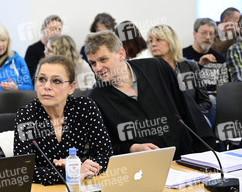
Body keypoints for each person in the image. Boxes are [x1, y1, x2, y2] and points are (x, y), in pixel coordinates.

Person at [86, 31, 216, 159]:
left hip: (184, 157)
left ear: (121, 54)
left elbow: (188, 109)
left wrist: (206, 153)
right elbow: (103, 148)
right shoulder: (95, 98)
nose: (97, 68)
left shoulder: (157, 68)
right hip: (142, 168)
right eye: (93, 63)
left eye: (103, 59)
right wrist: (132, 148)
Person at [13, 55, 113, 185]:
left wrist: (78, 166)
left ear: (71, 87)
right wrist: (72, 172)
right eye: (42, 79)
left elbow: (105, 155)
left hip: (81, 186)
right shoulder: (26, 115)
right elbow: (23, 170)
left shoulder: (84, 107)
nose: (47, 86)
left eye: (56, 81)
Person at [147, 25, 213, 125]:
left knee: (205, 123)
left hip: (191, 120)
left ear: (171, 41)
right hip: (163, 123)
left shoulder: (191, 66)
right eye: (151, 41)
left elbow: (205, 101)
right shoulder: (148, 70)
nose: (153, 44)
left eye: (158, 39)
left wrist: (192, 115)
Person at [183, 18, 228, 94]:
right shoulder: (182, 56)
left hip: (213, 100)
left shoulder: (220, 59)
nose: (208, 37)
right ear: (194, 34)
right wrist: (199, 66)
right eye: (204, 33)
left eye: (211, 34)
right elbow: (183, 85)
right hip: (190, 99)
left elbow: (224, 88)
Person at [24, 14, 63, 81]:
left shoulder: (63, 48)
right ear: (43, 29)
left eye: (59, 29)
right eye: (53, 29)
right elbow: (31, 76)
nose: (57, 32)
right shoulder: (32, 50)